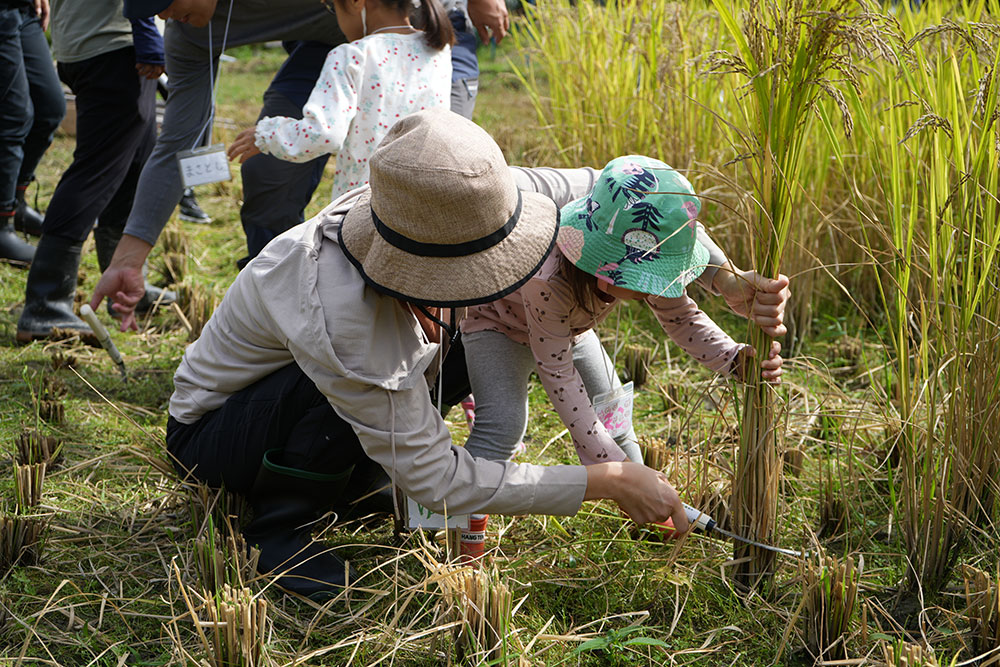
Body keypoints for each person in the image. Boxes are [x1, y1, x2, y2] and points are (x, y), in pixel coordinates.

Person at [164, 109, 787, 600]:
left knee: (450, 352)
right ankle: (282, 530)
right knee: (349, 392)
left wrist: (728, 281)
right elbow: (435, 476)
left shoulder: (476, 200)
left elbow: (640, 200)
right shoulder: (342, 314)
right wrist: (607, 480)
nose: (503, 275)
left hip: (318, 397)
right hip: (215, 433)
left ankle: (355, 482)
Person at [95, 0, 508, 324]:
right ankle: (286, 309)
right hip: (348, 45)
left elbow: (321, 135)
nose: (162, 14)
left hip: (420, 39)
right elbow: (176, 145)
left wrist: (266, 133)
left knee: (431, 190)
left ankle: (407, 339)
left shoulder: (361, 52)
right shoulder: (186, 34)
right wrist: (128, 260)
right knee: (271, 176)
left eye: (164, 0)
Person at [457, 155, 788, 555]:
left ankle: (657, 514)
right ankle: (463, 544)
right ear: (602, 266)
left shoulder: (626, 254)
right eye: (645, 281)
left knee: (615, 415)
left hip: (574, 332)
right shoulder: (549, 278)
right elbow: (558, 376)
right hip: (499, 329)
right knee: (504, 427)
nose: (654, 292)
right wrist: (613, 475)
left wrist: (733, 358)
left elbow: (681, 316)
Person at [15, 0, 175, 343]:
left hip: (95, 39)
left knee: (134, 166)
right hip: (113, 42)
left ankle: (124, 281)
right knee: (95, 172)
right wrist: (146, 28)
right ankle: (46, 302)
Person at [226, 0, 454, 202]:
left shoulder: (351, 56)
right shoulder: (437, 50)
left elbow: (323, 134)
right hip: (423, 198)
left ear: (356, 2)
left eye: (331, 6)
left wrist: (267, 134)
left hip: (366, 206)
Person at [0, 0, 65, 266]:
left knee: (49, 107)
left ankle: (17, 202)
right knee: (13, 115)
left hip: (23, 8)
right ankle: (2, 221)